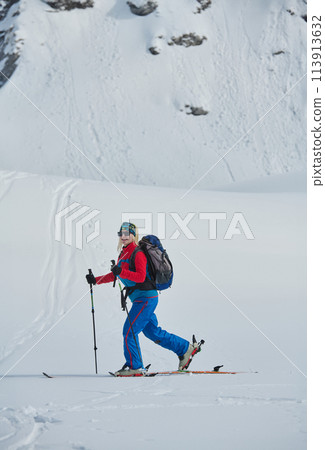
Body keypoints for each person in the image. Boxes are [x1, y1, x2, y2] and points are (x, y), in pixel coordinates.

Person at [86, 222, 200, 376]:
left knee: (129, 331)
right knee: (152, 332)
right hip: (141, 299)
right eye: (121, 233)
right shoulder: (123, 253)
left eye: (127, 233)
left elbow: (139, 277)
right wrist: (96, 280)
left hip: (146, 299)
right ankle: (185, 349)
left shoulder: (137, 252)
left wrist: (121, 271)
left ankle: (136, 367)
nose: (124, 236)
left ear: (133, 235)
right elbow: (117, 275)